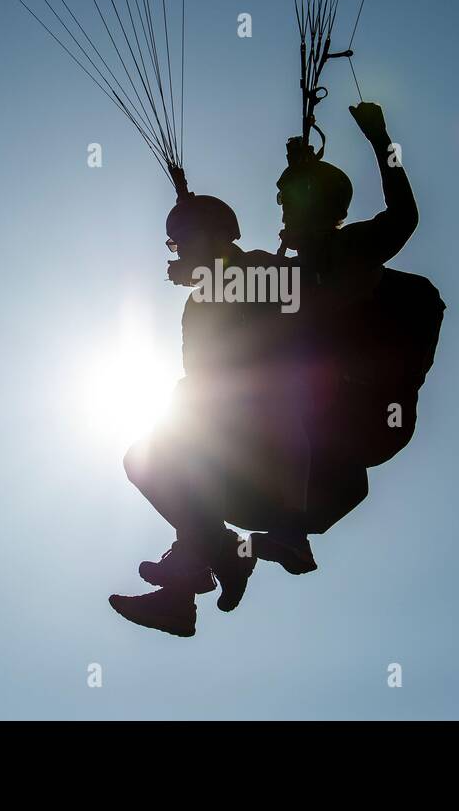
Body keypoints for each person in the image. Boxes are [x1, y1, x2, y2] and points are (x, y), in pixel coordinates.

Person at [109, 187, 309, 637]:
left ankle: (260, 543)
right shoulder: (198, 306)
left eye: (182, 243)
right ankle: (191, 583)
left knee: (190, 436)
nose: (176, 254)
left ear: (213, 238)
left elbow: (295, 298)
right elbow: (201, 378)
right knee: (148, 455)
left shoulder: (261, 268)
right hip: (231, 431)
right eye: (174, 246)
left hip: (284, 422)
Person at [252, 101, 430, 576]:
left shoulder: (351, 249)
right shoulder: (290, 274)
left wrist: (379, 138)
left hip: (366, 407)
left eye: (288, 201)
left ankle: (289, 528)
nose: (281, 210)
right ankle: (213, 551)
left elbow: (404, 216)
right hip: (341, 418)